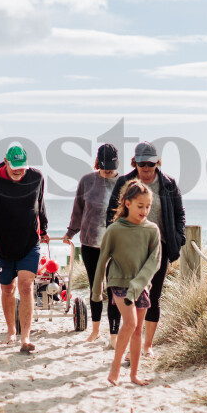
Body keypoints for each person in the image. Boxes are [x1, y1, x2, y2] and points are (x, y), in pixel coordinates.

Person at [106, 141, 185, 358]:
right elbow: (111, 215)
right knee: (130, 296)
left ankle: (147, 346)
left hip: (159, 248)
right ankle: (131, 345)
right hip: (129, 250)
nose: (147, 168)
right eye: (142, 163)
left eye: (151, 163)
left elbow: (179, 213)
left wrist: (179, 238)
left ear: (157, 162)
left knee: (154, 297)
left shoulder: (168, 183)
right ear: (135, 163)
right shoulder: (124, 183)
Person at [0, 145, 50, 353]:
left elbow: (39, 205)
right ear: (6, 161)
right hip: (3, 247)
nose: (19, 171)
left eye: (22, 167)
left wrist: (44, 231)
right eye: (15, 167)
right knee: (8, 289)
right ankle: (11, 331)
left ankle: (25, 338)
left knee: (25, 286)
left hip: (29, 244)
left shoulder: (36, 178)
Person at [92, 179, 161, 386]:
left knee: (138, 329)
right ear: (127, 203)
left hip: (140, 286)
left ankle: (133, 375)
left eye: (148, 206)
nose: (144, 211)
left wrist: (138, 284)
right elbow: (102, 260)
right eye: (140, 206)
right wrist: (96, 292)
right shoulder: (115, 229)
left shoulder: (152, 230)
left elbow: (154, 262)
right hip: (119, 282)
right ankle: (115, 367)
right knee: (129, 323)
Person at [63, 143, 120, 345]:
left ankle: (114, 335)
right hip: (90, 244)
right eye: (104, 166)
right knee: (96, 288)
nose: (107, 170)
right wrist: (70, 232)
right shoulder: (87, 181)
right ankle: (95, 330)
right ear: (97, 163)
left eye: (111, 167)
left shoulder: (124, 183)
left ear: (117, 163)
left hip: (117, 246)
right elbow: (78, 210)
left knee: (115, 289)